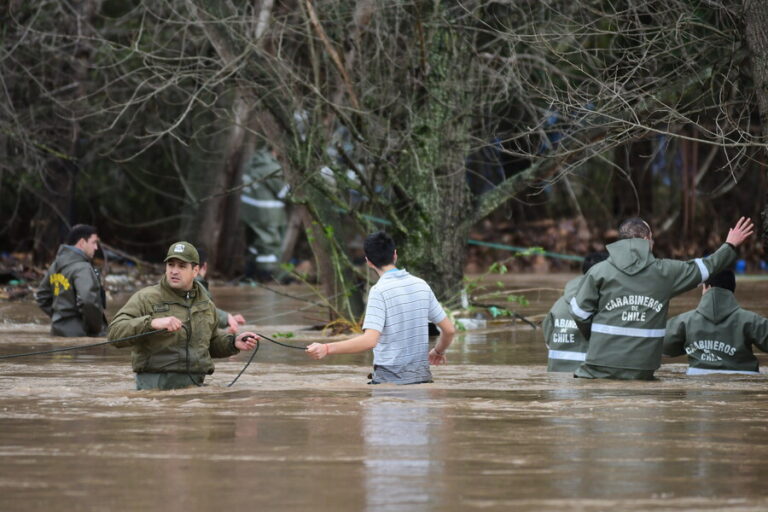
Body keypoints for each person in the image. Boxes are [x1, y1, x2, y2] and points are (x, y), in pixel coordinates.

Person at [569, 216, 754, 380]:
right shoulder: (665, 273)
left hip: (597, 366)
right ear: (645, 239)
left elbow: (578, 313)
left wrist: (596, 338)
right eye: (652, 238)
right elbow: (708, 267)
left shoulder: (598, 271)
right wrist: (730, 245)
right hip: (641, 370)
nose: (654, 243)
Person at [306, 231, 455, 384]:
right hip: (422, 380)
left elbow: (369, 341)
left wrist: (327, 348)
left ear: (368, 262)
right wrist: (438, 351)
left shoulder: (379, 291)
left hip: (389, 383)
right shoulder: (421, 285)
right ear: (395, 255)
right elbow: (449, 330)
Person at [108, 241, 259, 390]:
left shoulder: (206, 303)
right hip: (155, 391)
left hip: (195, 390)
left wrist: (233, 343)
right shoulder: (146, 298)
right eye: (171, 265)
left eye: (181, 266)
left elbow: (210, 343)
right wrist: (152, 323)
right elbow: (114, 333)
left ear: (195, 270)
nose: (174, 271)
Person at [663, 270, 768, 375]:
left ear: (706, 287)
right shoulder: (752, 320)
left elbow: (664, 348)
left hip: (697, 381)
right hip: (745, 380)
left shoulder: (684, 321)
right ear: (732, 289)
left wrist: (690, 345)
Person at [35, 224, 108, 337]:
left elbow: (42, 297)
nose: (96, 248)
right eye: (93, 243)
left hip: (57, 331)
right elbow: (88, 300)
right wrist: (96, 329)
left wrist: (59, 317)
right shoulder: (82, 267)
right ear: (82, 243)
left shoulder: (56, 265)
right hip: (80, 334)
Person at [543, 251, 608, 372]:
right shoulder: (604, 305)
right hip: (586, 378)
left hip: (556, 381)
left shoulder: (558, 304)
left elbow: (548, 343)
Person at [195, 246, 246, 334]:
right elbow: (200, 310)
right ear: (204, 266)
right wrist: (226, 318)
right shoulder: (196, 285)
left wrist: (228, 319)